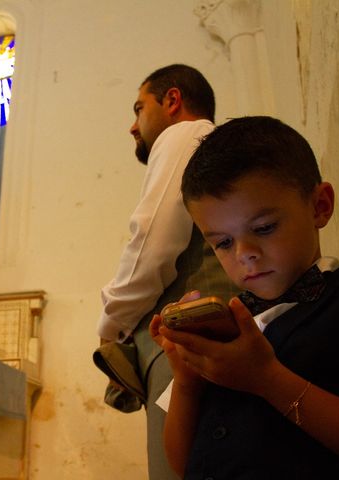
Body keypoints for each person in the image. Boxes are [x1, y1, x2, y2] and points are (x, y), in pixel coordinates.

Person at [151, 116, 339, 478]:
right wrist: (186, 379)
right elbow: (185, 465)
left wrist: (267, 379)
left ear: (319, 207)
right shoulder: (226, 327)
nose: (244, 253)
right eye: (223, 242)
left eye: (264, 228)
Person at [95, 64, 236, 479]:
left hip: (188, 336)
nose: (132, 127)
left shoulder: (184, 134)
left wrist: (110, 323)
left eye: (139, 109)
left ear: (172, 101)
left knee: (180, 469)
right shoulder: (209, 144)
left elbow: (153, 241)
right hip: (200, 337)